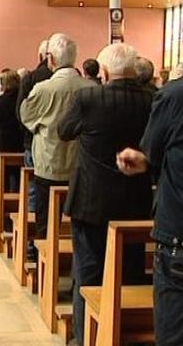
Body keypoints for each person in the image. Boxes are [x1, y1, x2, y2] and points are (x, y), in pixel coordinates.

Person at [58, 43, 153, 346]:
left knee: (88, 272)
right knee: (131, 270)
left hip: (90, 201)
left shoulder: (88, 98)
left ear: (105, 71)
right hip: (135, 203)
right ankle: (126, 335)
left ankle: (86, 337)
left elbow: (64, 130)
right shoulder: (151, 100)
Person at [117, 69, 183, 346]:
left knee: (173, 331)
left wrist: (141, 160)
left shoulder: (174, 96)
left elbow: (153, 151)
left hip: (178, 232)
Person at [19, 33, 96, 242]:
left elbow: (26, 116)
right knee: (78, 222)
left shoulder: (43, 89)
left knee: (46, 219)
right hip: (80, 165)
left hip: (49, 163)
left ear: (50, 59)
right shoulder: (92, 88)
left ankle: (43, 255)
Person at [16, 39, 53, 215]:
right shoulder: (74, 79)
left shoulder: (31, 78)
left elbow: (20, 113)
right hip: (65, 146)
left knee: (34, 190)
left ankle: (32, 238)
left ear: (41, 56)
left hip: (33, 143)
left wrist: (32, 131)